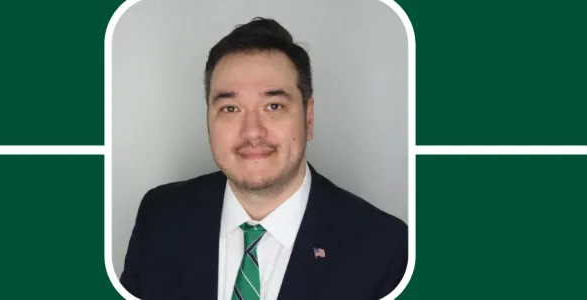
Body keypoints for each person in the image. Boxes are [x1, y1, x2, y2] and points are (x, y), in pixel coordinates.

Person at [119, 17, 408, 300]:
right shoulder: (159, 216)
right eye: (231, 109)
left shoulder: (386, 249)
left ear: (308, 117)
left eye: (273, 105)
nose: (253, 132)